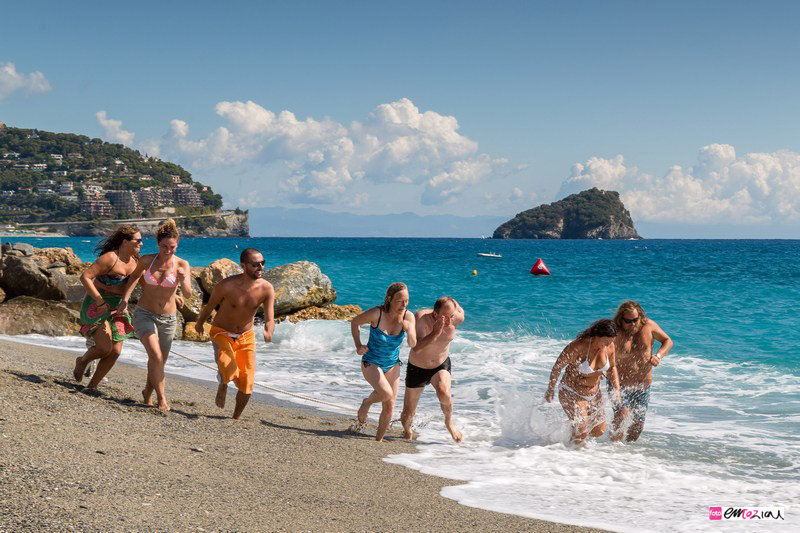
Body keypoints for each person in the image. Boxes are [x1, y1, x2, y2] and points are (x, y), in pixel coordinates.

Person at [117, 219, 191, 412]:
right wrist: (125, 299)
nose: (168, 250)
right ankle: (162, 399)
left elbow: (189, 293)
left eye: (172, 247)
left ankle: (147, 394)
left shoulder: (182, 264)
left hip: (168, 319)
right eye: (164, 246)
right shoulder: (147, 261)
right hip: (144, 314)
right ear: (158, 244)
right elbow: (133, 278)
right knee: (156, 356)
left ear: (177, 245)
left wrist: (182, 282)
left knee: (158, 361)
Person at [194, 248, 275, 420]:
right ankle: (223, 383)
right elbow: (209, 307)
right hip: (221, 333)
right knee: (229, 368)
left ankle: (235, 417)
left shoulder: (267, 288)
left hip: (246, 336)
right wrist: (200, 323)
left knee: (247, 383)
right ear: (244, 266)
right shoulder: (226, 285)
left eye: (262, 263)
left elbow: (269, 318)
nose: (260, 267)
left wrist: (269, 331)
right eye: (255, 264)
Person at [72, 226, 142, 389]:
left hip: (118, 308)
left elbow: (140, 282)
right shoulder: (110, 258)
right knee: (104, 348)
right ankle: (82, 361)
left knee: (115, 352)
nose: (141, 243)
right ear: (125, 242)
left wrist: (173, 295)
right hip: (98, 305)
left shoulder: (136, 261)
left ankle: (92, 386)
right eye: (138, 240)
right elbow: (85, 277)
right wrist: (99, 301)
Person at [350, 282, 417, 442]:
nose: (404, 304)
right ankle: (366, 403)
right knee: (386, 394)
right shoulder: (377, 313)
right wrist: (358, 345)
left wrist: (408, 330)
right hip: (371, 361)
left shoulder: (409, 316)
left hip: (392, 364)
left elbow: (413, 344)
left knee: (390, 405)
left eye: (407, 300)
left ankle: (378, 441)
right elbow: (355, 322)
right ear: (389, 299)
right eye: (400, 300)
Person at [545, 319, 621, 445]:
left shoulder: (610, 346)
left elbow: (612, 367)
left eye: (611, 342)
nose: (608, 345)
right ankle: (572, 455)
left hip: (594, 394)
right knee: (582, 428)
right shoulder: (578, 346)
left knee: (598, 430)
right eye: (606, 341)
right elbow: (557, 367)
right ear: (597, 335)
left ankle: (569, 441)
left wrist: (616, 389)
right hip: (571, 391)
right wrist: (550, 389)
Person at [400, 296, 465, 442]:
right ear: (435, 314)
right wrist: (435, 332)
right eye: (445, 317)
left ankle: (449, 422)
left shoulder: (456, 318)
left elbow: (460, 311)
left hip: (440, 365)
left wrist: (451, 301)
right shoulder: (422, 319)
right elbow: (416, 348)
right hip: (418, 367)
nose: (449, 321)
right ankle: (407, 430)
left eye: (451, 316)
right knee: (407, 415)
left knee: (444, 394)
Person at [611, 301, 673, 442]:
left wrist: (658, 356)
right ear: (621, 319)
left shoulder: (649, 326)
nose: (632, 324)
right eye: (628, 321)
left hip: (642, 386)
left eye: (635, 320)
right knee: (621, 416)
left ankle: (627, 456)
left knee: (637, 427)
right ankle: (611, 451)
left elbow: (667, 341)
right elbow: (599, 348)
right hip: (620, 384)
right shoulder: (615, 331)